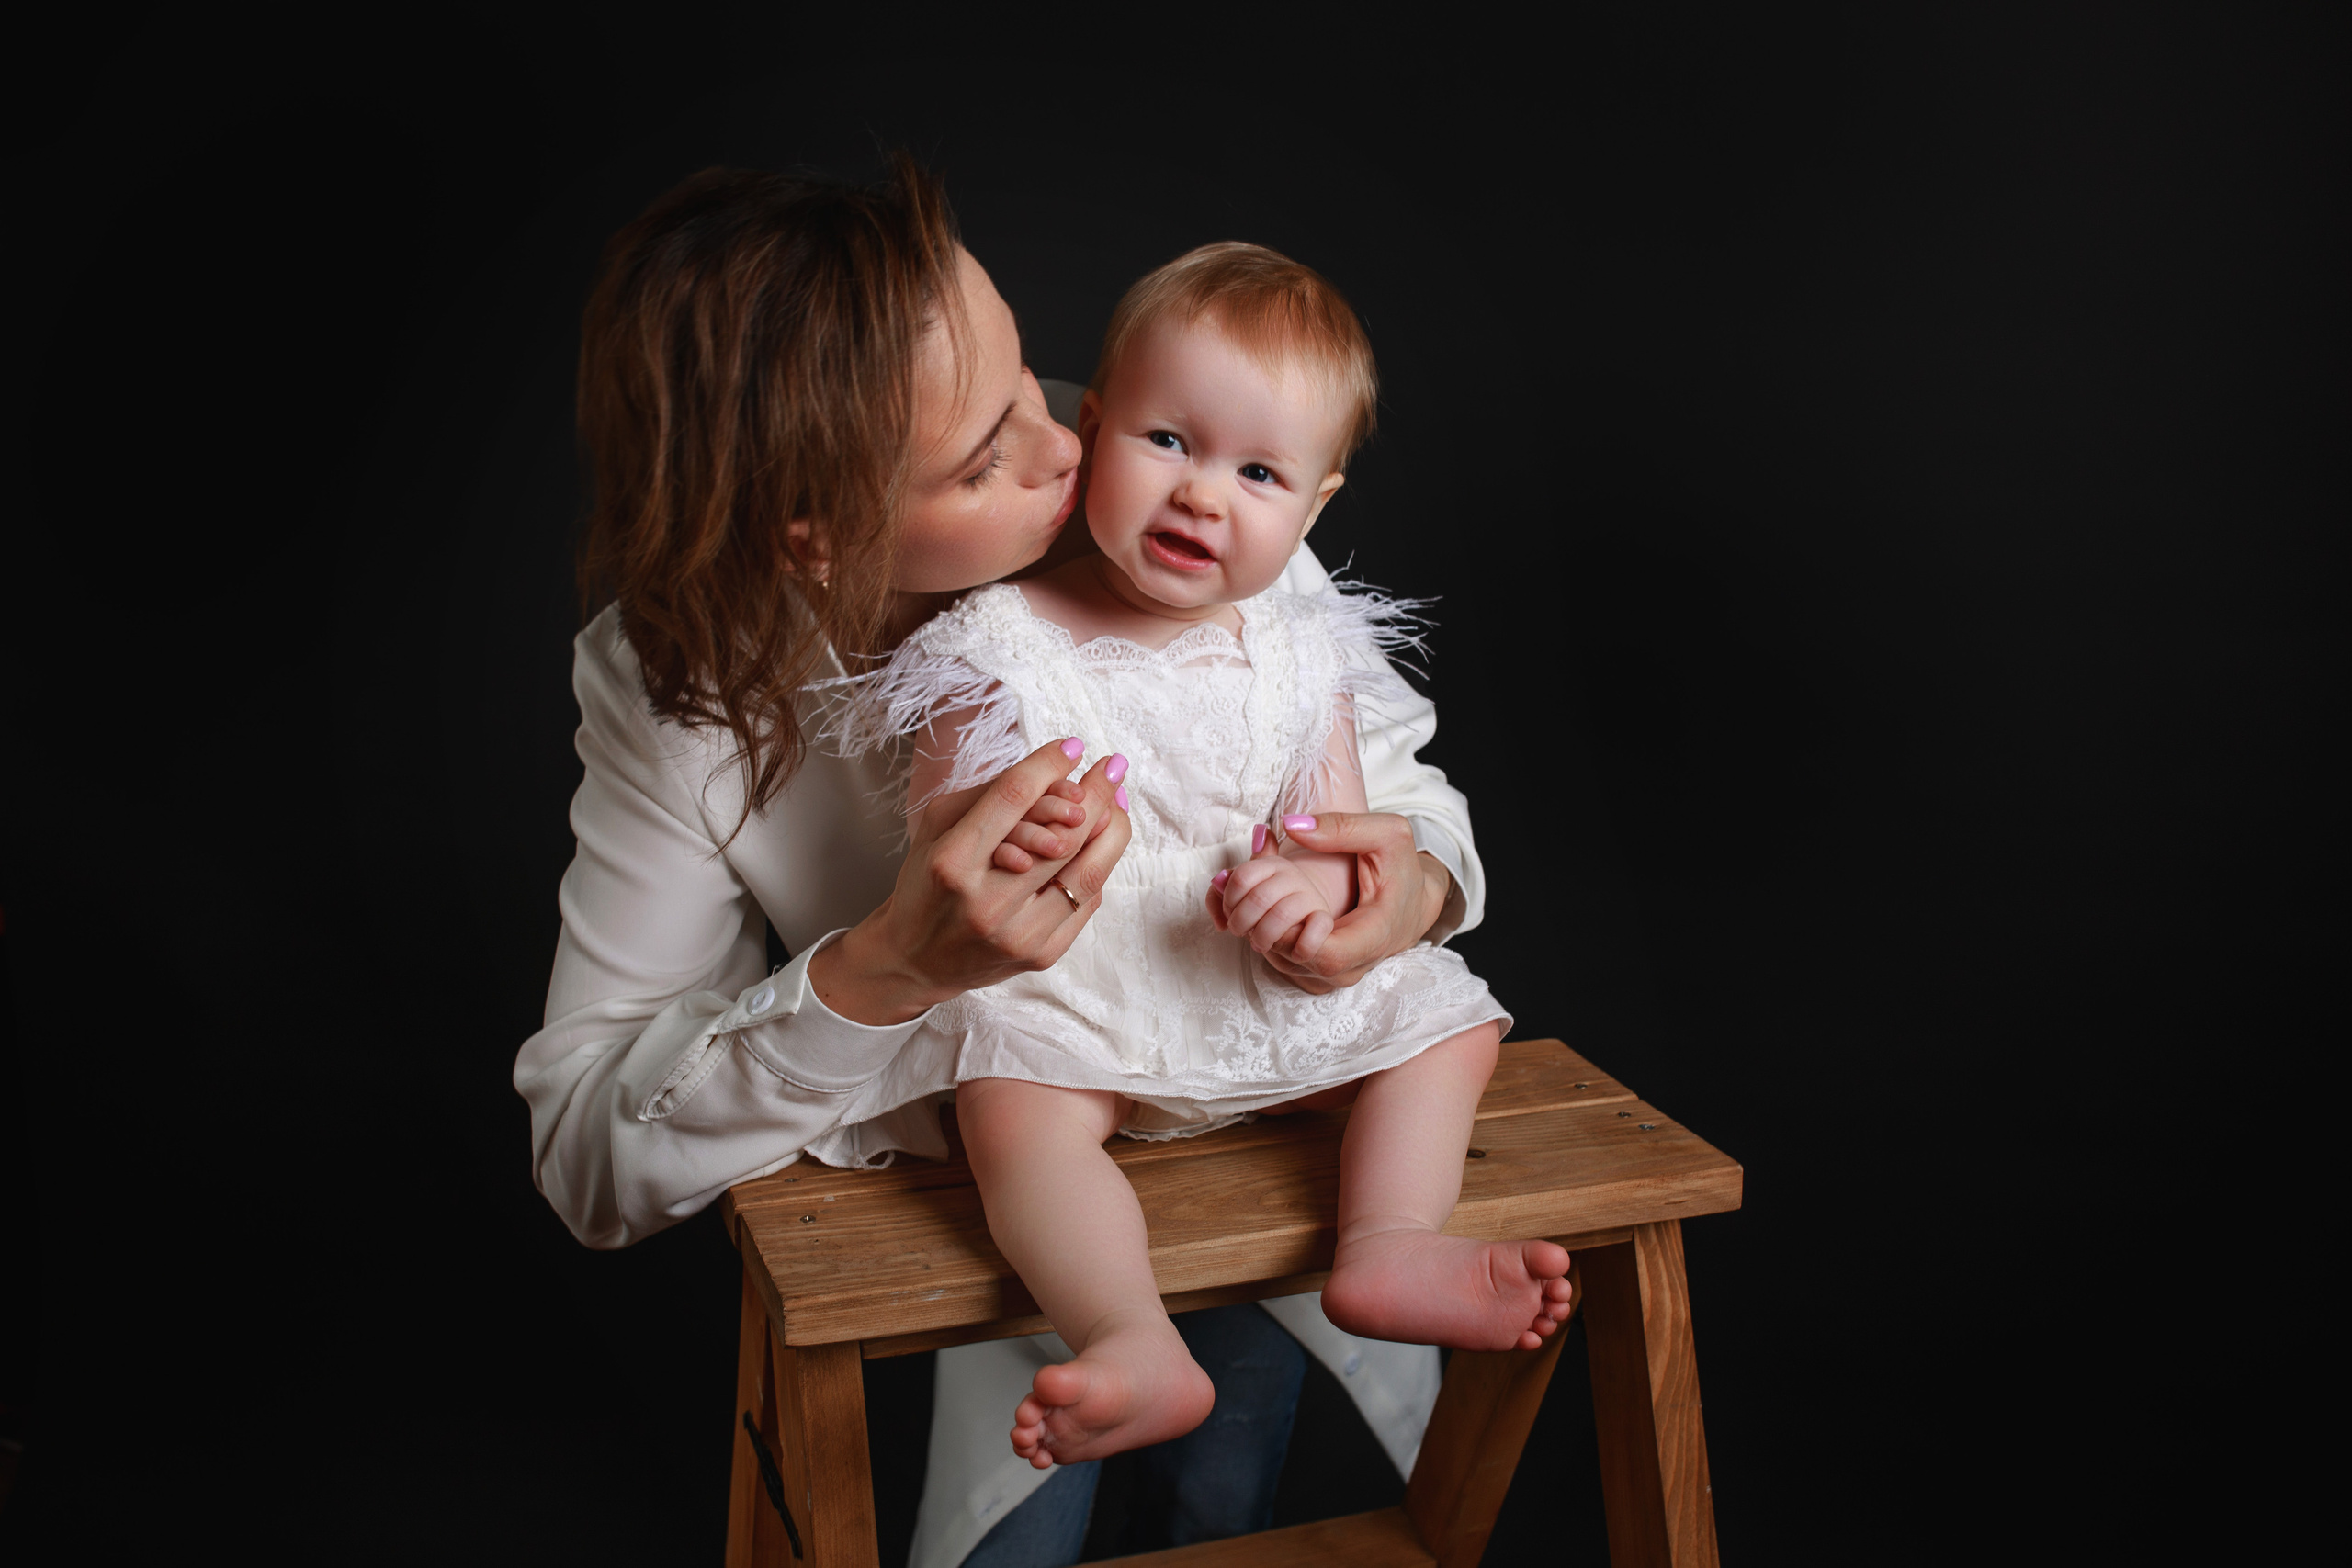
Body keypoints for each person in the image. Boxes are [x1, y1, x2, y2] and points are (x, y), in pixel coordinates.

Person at [514, 164, 1486, 1567]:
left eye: (1033, 376)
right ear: (816, 532)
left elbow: (1406, 796)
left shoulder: (1189, 491)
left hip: (1268, 1153)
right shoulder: (674, 694)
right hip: (1002, 1217)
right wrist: (884, 971)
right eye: (983, 460)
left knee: (1226, 1507)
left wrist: (1397, 891)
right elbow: (591, 1157)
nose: (1071, 446)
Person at [825, 243, 1572, 1472]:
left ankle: (1387, 1243)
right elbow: (945, 837)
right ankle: (1127, 1335)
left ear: (1315, 506)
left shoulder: (1295, 637)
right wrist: (1014, 833)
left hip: (1247, 976)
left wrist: (1328, 892)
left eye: (1259, 471)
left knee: (1445, 1026)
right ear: (1096, 428)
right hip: (1086, 983)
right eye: (1168, 441)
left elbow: (1334, 825)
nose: (1203, 495)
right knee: (1017, 1112)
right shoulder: (1000, 640)